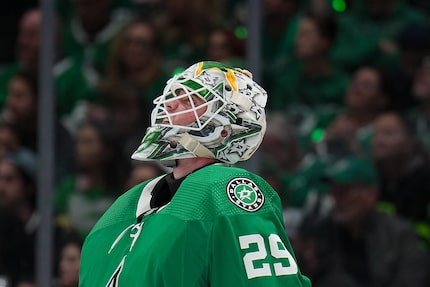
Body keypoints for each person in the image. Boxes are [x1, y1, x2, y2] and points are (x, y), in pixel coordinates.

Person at [79, 61, 311, 286]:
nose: (169, 105)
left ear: (226, 124)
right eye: (172, 95)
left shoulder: (229, 191)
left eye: (189, 99)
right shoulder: (128, 202)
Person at [296, 156, 429, 287]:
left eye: (344, 191)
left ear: (370, 194)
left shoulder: (399, 235)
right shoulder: (323, 232)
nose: (337, 198)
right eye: (334, 191)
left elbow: (412, 279)